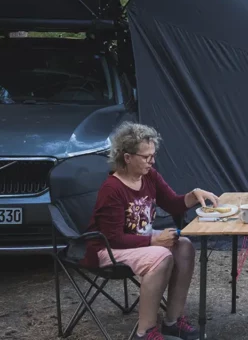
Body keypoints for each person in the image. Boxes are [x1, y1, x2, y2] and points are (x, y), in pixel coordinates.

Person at [83, 122, 219, 340]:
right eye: (146, 157)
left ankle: (172, 322)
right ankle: (144, 332)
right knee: (162, 255)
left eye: (153, 155)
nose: (152, 161)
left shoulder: (149, 177)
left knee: (184, 246)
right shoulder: (112, 189)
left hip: (138, 243)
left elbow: (174, 204)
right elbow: (113, 239)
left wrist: (194, 194)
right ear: (127, 157)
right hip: (106, 250)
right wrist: (153, 241)